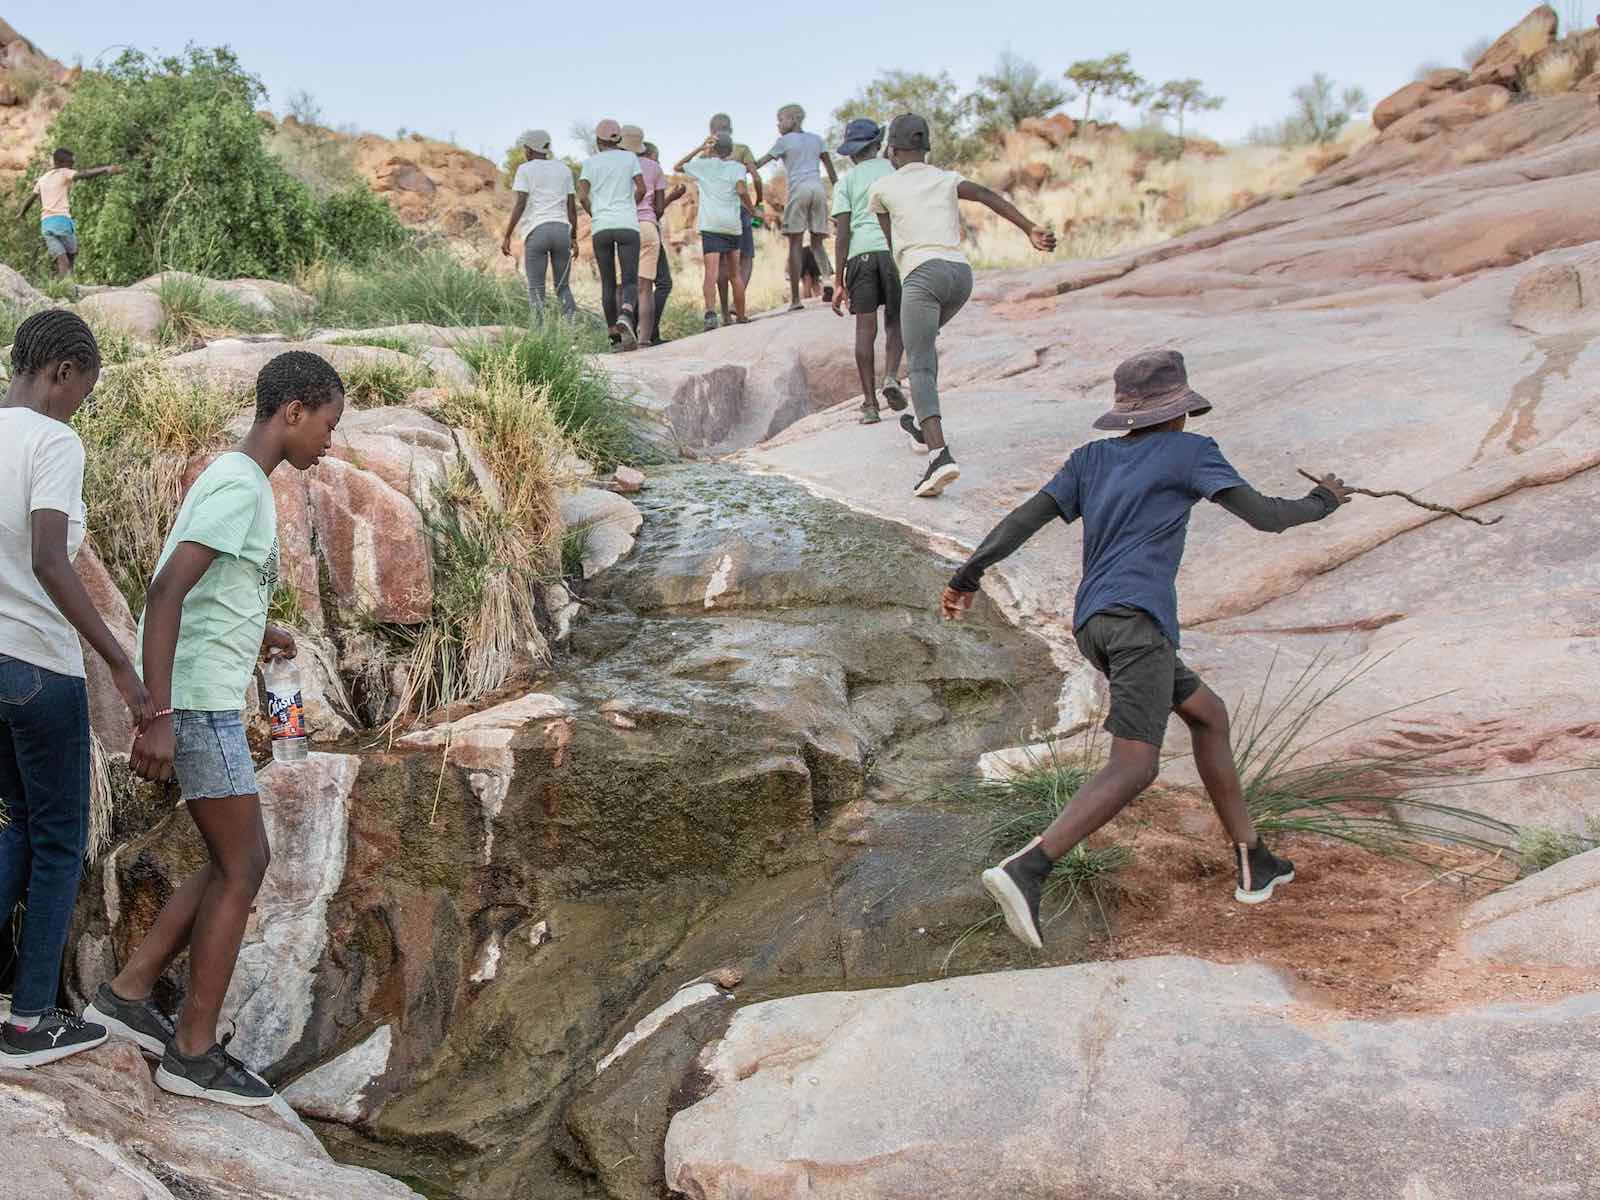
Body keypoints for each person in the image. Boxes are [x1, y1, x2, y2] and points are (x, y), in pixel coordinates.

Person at [940, 349, 1352, 948]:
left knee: (1209, 716)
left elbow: (1022, 521)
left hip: (1097, 626)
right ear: (1181, 409)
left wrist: (967, 575)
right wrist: (1324, 502)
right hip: (1138, 624)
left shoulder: (1089, 459)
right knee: (1136, 764)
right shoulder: (1193, 452)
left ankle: (1253, 858)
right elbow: (1265, 517)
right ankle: (1027, 869)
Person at [84, 352, 345, 1107]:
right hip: (193, 704)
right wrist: (156, 714)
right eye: (328, 425)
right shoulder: (238, 484)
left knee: (233, 856)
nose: (329, 441)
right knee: (245, 861)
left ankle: (130, 996)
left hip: (205, 696)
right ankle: (191, 1052)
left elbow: (207, 592)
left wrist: (260, 632)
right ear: (292, 410)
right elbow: (166, 592)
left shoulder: (245, 483)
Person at [0, 312, 154, 1068]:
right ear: (62, 371)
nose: (78, 408)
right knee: (60, 841)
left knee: (19, 825)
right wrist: (120, 664)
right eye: (81, 392)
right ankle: (30, 1022)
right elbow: (51, 557)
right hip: (36, 665)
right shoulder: (53, 440)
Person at [868, 113, 1056, 498]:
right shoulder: (946, 178)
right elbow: (986, 195)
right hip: (960, 276)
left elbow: (892, 244)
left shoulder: (883, 187)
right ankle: (924, 428)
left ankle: (939, 457)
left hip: (922, 276)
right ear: (927, 148)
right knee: (925, 348)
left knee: (918, 364)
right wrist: (1029, 228)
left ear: (892, 149)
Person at [828, 117, 905, 425]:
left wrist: (838, 281)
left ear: (850, 152)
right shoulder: (892, 170)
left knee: (864, 330)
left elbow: (842, 232)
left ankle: (870, 405)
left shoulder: (844, 182)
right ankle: (890, 377)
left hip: (859, 257)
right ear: (878, 145)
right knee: (896, 320)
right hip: (892, 251)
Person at [755, 104, 836, 312]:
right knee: (817, 243)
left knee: (795, 245)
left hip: (799, 190)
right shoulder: (817, 139)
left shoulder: (783, 141)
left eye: (781, 119)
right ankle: (827, 281)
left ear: (793, 119)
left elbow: (760, 163)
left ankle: (795, 299)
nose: (778, 124)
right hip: (818, 189)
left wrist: (743, 165)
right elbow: (831, 172)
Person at [675, 133, 756, 330]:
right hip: (731, 225)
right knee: (735, 274)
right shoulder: (737, 167)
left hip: (711, 226)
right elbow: (742, 190)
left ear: (712, 149)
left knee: (711, 273)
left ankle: (711, 315)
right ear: (730, 151)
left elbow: (678, 167)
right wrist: (752, 209)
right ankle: (742, 315)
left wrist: (700, 148)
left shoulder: (703, 166)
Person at [579, 120, 646, 350]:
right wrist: (630, 206)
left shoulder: (589, 163)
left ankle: (614, 339)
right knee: (629, 279)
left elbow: (582, 195)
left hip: (601, 226)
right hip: (627, 224)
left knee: (608, 283)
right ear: (618, 140)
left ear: (598, 141)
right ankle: (626, 313)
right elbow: (642, 189)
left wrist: (594, 212)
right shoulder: (630, 159)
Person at [500, 129, 578, 318]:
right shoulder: (563, 169)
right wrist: (573, 237)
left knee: (536, 290)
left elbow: (520, 203)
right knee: (563, 287)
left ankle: (540, 334)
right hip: (561, 231)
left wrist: (508, 235)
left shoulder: (525, 169)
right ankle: (572, 330)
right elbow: (571, 208)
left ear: (529, 149)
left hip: (537, 231)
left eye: (525, 148)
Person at [16, 149, 123, 279]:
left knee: (61, 259)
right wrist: (106, 169)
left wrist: (21, 213)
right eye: (71, 162)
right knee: (69, 257)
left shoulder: (42, 179)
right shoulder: (64, 172)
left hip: (46, 225)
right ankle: (67, 286)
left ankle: (60, 283)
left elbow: (31, 199)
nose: (73, 165)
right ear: (61, 162)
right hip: (62, 222)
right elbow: (84, 174)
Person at [708, 114, 765, 323]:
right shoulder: (741, 149)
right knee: (745, 258)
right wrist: (758, 201)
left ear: (711, 131)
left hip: (715, 213)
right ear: (730, 129)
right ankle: (737, 305)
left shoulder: (708, 155)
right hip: (739, 210)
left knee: (722, 263)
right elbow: (756, 177)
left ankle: (724, 313)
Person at [621, 125, 666, 350]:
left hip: (624, 225)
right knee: (645, 288)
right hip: (648, 227)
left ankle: (621, 339)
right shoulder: (653, 167)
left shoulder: (616, 164)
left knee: (623, 285)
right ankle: (644, 340)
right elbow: (659, 207)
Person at [640, 142, 687, 346]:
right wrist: (672, 197)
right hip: (648, 230)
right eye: (657, 157)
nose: (659, 161)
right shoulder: (651, 171)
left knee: (636, 284)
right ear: (650, 155)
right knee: (662, 282)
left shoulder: (628, 170)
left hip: (627, 230)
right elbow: (654, 210)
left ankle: (644, 331)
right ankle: (650, 331)